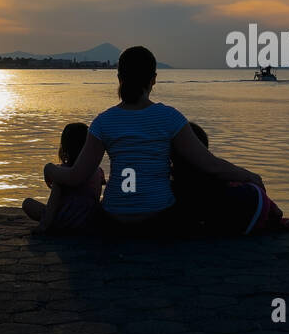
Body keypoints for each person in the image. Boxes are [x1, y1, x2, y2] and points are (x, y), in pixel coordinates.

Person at [43, 45, 264, 236]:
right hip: (159, 218)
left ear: (119, 78)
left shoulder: (103, 122)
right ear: (153, 80)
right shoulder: (169, 118)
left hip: (113, 219)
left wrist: (50, 169)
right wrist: (250, 176)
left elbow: (76, 176)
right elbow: (210, 165)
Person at [172, 122, 289, 235]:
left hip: (249, 207)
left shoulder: (178, 181)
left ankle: (281, 222)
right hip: (253, 203)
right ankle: (283, 223)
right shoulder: (209, 175)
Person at [23, 122, 104, 234]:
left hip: (64, 222)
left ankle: (53, 225)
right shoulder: (98, 171)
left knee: (28, 203)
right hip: (88, 221)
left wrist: (43, 227)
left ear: (65, 147)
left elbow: (53, 204)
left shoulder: (62, 174)